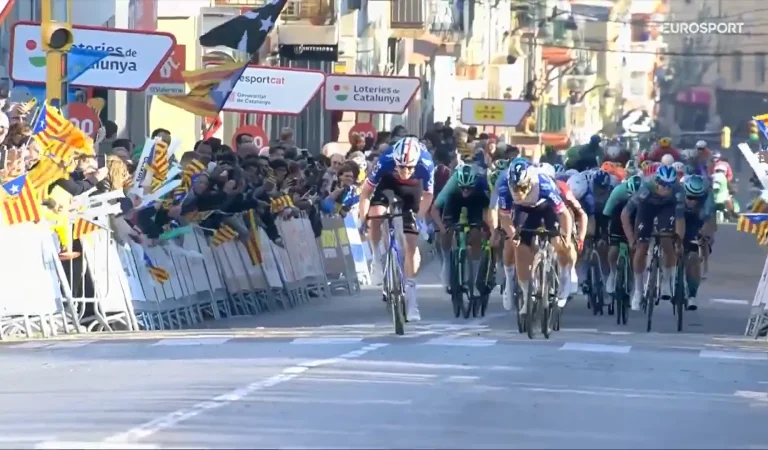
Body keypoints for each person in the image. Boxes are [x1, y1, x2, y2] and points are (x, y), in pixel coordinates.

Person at [358, 136, 435, 322]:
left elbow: (428, 195)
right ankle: (376, 258)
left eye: (409, 167)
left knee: (411, 245)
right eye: (401, 166)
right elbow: (366, 192)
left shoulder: (425, 163)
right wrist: (363, 219)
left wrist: (418, 217)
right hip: (388, 185)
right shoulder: (386, 159)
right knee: (375, 215)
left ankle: (412, 301)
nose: (405, 171)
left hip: (413, 191)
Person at [496, 160, 574, 312]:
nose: (518, 191)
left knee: (559, 241)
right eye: (515, 187)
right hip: (522, 210)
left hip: (546, 207)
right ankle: (524, 294)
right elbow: (504, 217)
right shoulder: (504, 187)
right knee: (519, 246)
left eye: (522, 187)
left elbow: (564, 213)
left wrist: (566, 234)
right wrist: (513, 234)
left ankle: (565, 276)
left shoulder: (543, 184)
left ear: (529, 181)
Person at [621, 165, 684, 310]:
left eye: (669, 185)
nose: (666, 189)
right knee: (641, 247)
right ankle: (638, 291)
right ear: (656, 182)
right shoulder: (645, 187)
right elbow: (625, 214)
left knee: (667, 240)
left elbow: (680, 219)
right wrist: (631, 239)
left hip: (667, 208)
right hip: (646, 208)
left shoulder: (679, 190)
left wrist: (679, 241)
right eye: (663, 184)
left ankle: (666, 282)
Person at [431, 165, 494, 289]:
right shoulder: (452, 185)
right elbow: (434, 209)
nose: (465, 191)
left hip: (476, 203)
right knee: (447, 232)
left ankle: (475, 277)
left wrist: (491, 230)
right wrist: (442, 229)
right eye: (463, 188)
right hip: (454, 200)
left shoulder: (481, 185)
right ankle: (447, 264)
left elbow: (488, 212)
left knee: (476, 234)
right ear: (458, 184)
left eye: (469, 188)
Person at [602, 175, 643, 295]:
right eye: (630, 195)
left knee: (634, 251)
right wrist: (604, 233)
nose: (632, 199)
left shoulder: (646, 194)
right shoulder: (618, 191)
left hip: (638, 217)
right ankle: (613, 273)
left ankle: (630, 276)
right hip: (618, 217)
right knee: (613, 250)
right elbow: (607, 213)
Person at [679, 174, 714, 310]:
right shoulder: (677, 195)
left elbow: (709, 224)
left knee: (693, 258)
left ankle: (692, 294)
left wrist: (705, 237)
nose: (693, 201)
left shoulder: (708, 201)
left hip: (696, 223)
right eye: (690, 197)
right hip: (679, 218)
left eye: (697, 198)